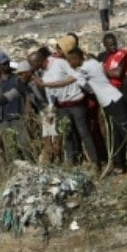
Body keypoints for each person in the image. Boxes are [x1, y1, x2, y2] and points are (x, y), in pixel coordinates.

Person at [66, 48, 127, 178]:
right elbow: (88, 87)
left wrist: (47, 84)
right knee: (115, 134)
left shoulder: (88, 66)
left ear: (77, 58)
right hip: (107, 103)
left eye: (70, 60)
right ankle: (119, 165)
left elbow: (68, 81)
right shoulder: (86, 67)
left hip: (115, 101)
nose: (69, 62)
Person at [39, 36, 99, 167]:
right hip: (62, 105)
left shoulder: (69, 62)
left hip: (75, 103)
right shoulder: (57, 62)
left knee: (84, 133)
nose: (57, 50)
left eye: (60, 48)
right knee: (67, 134)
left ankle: (95, 163)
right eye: (57, 48)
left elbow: (78, 78)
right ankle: (73, 161)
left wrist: (89, 89)